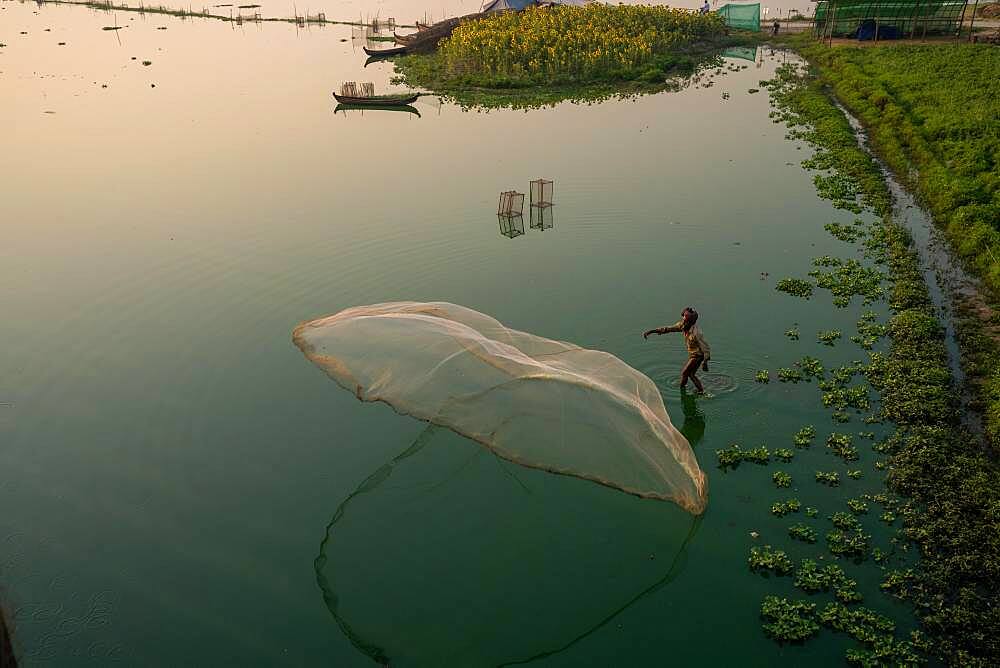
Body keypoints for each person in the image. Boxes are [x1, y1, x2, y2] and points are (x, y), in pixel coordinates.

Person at [643, 307, 712, 394]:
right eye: (683, 316)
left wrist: (705, 362)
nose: (683, 319)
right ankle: (698, 390)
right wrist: (652, 331)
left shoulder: (696, 333)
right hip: (692, 354)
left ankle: (685, 389)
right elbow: (668, 329)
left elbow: (705, 348)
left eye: (685, 318)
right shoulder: (683, 326)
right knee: (690, 374)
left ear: (690, 321)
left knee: (685, 373)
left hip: (697, 355)